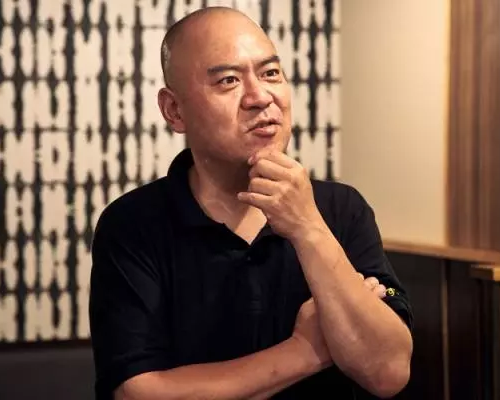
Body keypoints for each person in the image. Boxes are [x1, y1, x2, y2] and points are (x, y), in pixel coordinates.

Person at [89, 6, 413, 400]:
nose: (261, 97)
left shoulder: (342, 209)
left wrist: (308, 227)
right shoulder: (132, 224)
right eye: (228, 80)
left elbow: (388, 372)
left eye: (271, 73)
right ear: (174, 110)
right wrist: (303, 352)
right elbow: (136, 393)